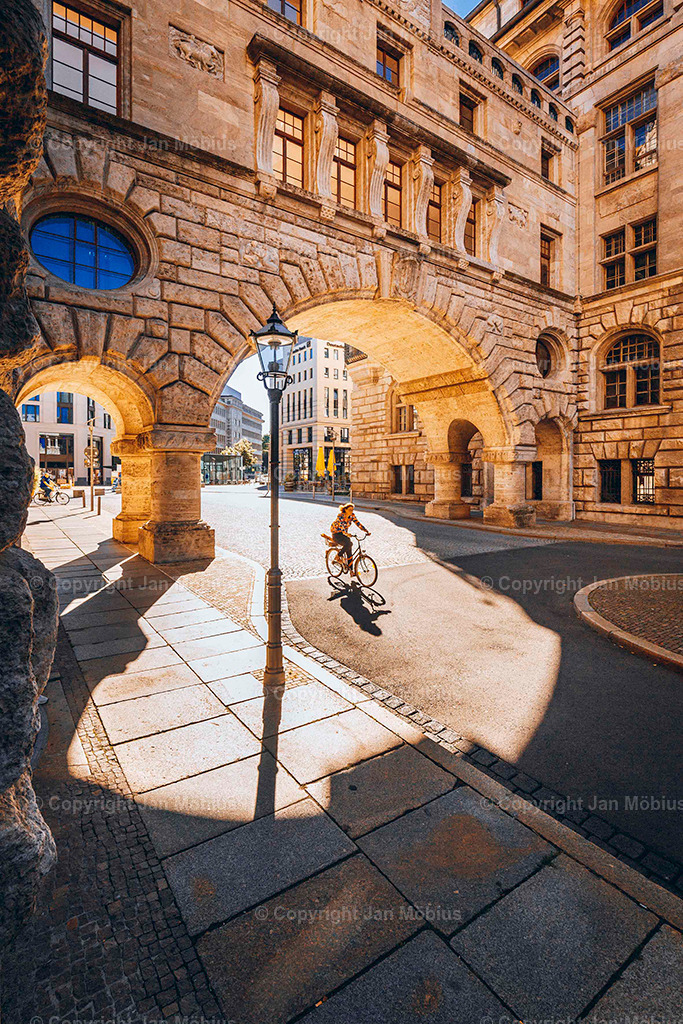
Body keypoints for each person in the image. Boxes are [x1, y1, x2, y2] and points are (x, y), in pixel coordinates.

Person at [330, 503, 370, 571]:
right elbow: (341, 526)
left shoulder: (352, 516)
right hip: (336, 534)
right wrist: (347, 534)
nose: (351, 511)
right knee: (349, 544)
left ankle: (351, 570)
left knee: (349, 551)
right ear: (345, 509)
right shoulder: (340, 516)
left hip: (344, 534)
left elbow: (358, 523)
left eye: (352, 510)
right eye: (350, 510)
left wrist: (365, 530)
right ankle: (337, 557)